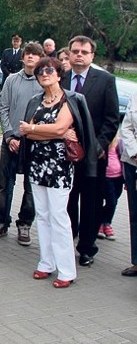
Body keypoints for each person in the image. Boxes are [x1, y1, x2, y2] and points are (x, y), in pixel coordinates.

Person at [19, 56, 97, 288]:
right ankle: (46, 263)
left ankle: (66, 270)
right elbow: (27, 133)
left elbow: (61, 126)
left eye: (49, 70)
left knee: (59, 216)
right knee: (42, 215)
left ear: (59, 74)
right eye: (40, 71)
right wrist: (49, 132)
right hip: (37, 164)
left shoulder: (70, 99)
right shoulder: (36, 101)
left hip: (60, 166)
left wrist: (38, 129)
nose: (44, 74)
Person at [62, 35, 119, 267]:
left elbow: (111, 119)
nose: (79, 55)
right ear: (69, 53)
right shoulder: (60, 77)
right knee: (67, 200)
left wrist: (99, 146)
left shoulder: (105, 80)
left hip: (95, 154)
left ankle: (86, 247)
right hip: (64, 153)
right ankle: (67, 242)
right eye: (75, 51)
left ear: (92, 56)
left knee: (91, 202)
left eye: (84, 52)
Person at [0, 42, 44, 244]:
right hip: (10, 140)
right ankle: (2, 221)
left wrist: (29, 135)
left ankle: (25, 224)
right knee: (5, 184)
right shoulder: (11, 80)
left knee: (31, 186)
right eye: (28, 54)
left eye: (35, 55)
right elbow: (4, 108)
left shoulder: (43, 82)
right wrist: (10, 136)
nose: (30, 58)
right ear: (23, 57)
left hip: (33, 142)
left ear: (40, 59)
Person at [120, 92, 137, 276]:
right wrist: (135, 153)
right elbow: (126, 127)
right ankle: (136, 261)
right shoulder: (136, 94)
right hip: (134, 161)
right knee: (135, 213)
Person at [98, 132, 122, 240]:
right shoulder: (102, 144)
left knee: (114, 201)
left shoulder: (118, 142)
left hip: (118, 177)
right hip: (106, 177)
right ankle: (104, 223)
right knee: (110, 201)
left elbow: (122, 157)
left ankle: (104, 222)